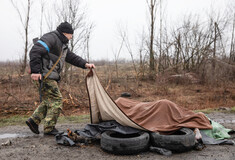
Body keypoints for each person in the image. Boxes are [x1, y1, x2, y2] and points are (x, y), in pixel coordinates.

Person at [26, 22, 95, 135]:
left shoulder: (62, 45)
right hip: (45, 75)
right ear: (65, 33)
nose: (72, 37)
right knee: (57, 100)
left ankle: (33, 121)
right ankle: (49, 128)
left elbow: (71, 57)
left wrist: (85, 64)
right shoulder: (52, 37)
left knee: (49, 100)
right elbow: (35, 50)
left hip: (48, 75)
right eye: (71, 34)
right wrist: (35, 71)